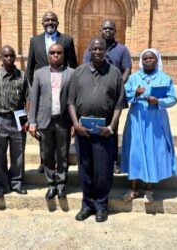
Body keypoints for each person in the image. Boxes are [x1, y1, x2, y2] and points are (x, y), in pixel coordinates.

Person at [68, 37, 126, 222]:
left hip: (104, 132)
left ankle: (101, 205)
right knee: (85, 168)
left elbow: (119, 104)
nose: (98, 52)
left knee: (103, 170)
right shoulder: (79, 72)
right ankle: (87, 205)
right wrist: (76, 124)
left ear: (106, 51)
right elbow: (70, 101)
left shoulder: (115, 73)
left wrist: (111, 127)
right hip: (82, 131)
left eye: (101, 49)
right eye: (95, 49)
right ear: (90, 51)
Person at [120, 48, 177, 203]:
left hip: (156, 120)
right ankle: (133, 189)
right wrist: (136, 94)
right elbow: (123, 95)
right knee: (135, 150)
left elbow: (173, 98)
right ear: (141, 61)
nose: (148, 60)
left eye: (151, 58)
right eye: (145, 58)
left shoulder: (164, 78)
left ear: (157, 60)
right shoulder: (134, 78)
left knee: (152, 150)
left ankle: (148, 189)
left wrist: (158, 101)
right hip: (137, 119)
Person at [26, 11, 78, 173]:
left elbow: (73, 65)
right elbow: (29, 68)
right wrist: (31, 94)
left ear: (58, 22)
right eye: (47, 20)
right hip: (42, 90)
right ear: (42, 23)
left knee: (61, 130)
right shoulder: (35, 41)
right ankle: (44, 161)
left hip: (62, 88)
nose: (50, 22)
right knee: (44, 130)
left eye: (53, 20)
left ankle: (61, 162)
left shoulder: (67, 40)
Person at [83, 19, 132, 174]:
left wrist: (117, 85)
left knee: (113, 127)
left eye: (111, 29)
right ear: (100, 30)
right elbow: (85, 67)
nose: (108, 31)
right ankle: (93, 158)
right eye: (105, 28)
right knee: (93, 126)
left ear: (115, 31)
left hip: (113, 94)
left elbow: (127, 69)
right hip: (94, 93)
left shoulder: (122, 50)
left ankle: (114, 161)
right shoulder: (91, 48)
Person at [28, 44, 74, 200]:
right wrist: (32, 122)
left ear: (63, 55)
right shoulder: (39, 73)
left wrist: (75, 123)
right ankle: (51, 184)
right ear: (48, 55)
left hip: (63, 121)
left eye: (59, 52)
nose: (55, 55)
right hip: (45, 121)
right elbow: (34, 99)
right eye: (52, 52)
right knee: (46, 154)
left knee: (62, 154)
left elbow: (74, 100)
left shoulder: (72, 73)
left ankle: (61, 184)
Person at [0, 45, 29, 198]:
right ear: (1, 58)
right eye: (6, 56)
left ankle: (16, 183)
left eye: (11, 56)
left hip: (18, 117)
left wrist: (28, 118)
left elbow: (28, 98)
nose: (9, 59)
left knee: (18, 153)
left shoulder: (22, 76)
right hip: (0, 118)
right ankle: (1, 186)